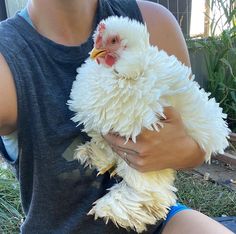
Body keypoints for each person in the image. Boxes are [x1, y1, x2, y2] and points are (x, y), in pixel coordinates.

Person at [0, 0, 233, 233]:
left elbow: (199, 130)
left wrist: (185, 150)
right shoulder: (8, 58)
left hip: (152, 220)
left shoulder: (153, 21)